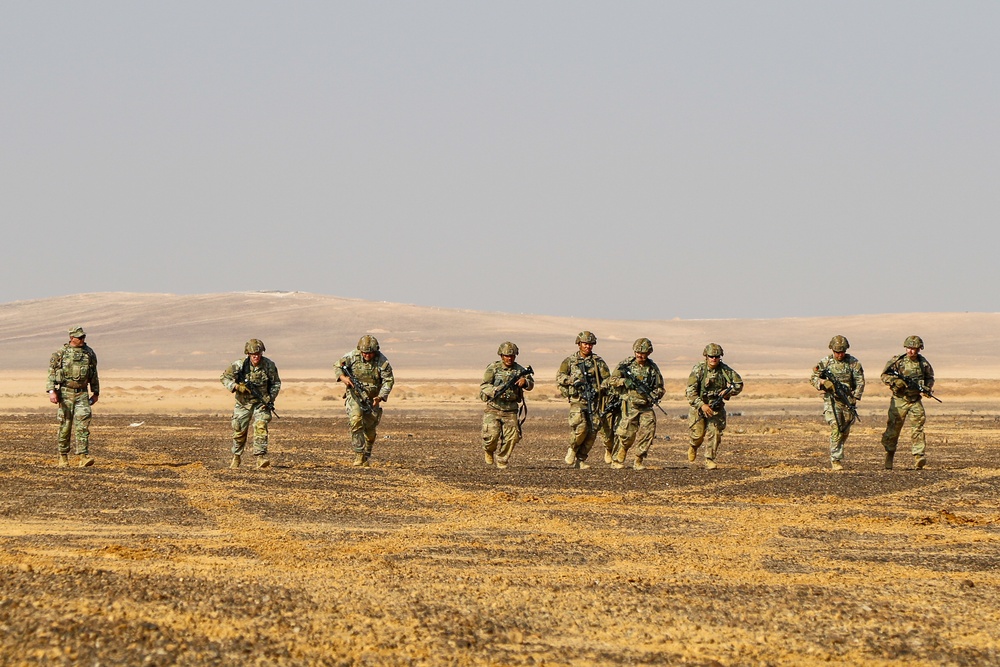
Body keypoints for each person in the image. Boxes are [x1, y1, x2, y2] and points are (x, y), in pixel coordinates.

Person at [556, 331, 614, 469]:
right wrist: (572, 380)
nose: (588, 347)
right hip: (578, 400)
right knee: (581, 427)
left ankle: (581, 459)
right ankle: (573, 448)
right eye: (585, 344)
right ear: (579, 344)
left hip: (594, 401)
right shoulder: (570, 361)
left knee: (593, 431)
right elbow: (560, 377)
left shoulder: (598, 362)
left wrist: (600, 389)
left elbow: (608, 379)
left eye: (590, 344)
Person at [220, 339, 281, 469]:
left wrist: (270, 398)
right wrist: (236, 386)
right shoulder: (239, 365)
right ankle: (236, 457)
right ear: (248, 353)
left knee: (261, 426)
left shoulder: (269, 365)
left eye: (258, 354)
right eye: (253, 354)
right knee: (239, 431)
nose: (256, 356)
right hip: (243, 403)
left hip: (261, 403)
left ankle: (260, 458)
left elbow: (276, 383)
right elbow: (224, 377)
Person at [337, 335, 394, 467]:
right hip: (354, 395)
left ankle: (367, 453)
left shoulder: (382, 361)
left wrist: (380, 397)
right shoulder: (352, 356)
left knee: (370, 430)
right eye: (364, 353)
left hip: (373, 397)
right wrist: (343, 378)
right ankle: (359, 455)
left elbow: (389, 381)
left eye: (370, 353)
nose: (367, 356)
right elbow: (337, 366)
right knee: (355, 420)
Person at [46, 326, 100, 467]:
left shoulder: (89, 353)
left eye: (83, 337)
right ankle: (63, 457)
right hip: (65, 393)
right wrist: (51, 391)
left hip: (82, 393)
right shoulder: (61, 353)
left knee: (83, 424)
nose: (82, 339)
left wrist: (95, 392)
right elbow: (51, 372)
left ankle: (83, 457)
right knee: (65, 425)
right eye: (79, 337)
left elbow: (93, 374)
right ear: (71, 338)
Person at [608, 338, 664, 470]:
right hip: (630, 405)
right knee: (626, 434)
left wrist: (655, 395)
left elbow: (660, 387)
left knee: (648, 433)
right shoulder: (626, 365)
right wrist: (625, 382)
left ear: (649, 353)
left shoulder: (652, 368)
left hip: (646, 406)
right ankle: (617, 458)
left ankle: (638, 460)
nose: (640, 355)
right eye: (638, 352)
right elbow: (612, 380)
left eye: (643, 353)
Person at [810, 335, 865, 471]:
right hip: (831, 400)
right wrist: (823, 382)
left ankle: (837, 452)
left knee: (844, 431)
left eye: (842, 352)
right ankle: (836, 459)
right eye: (836, 352)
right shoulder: (826, 362)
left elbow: (860, 381)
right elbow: (813, 378)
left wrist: (855, 397)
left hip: (847, 400)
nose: (839, 355)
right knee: (835, 428)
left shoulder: (853, 363)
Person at [880, 335, 935, 470]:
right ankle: (889, 455)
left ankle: (918, 456)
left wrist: (927, 389)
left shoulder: (923, 363)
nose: (912, 351)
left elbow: (930, 377)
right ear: (906, 348)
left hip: (915, 400)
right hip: (899, 400)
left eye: (915, 349)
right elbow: (884, 376)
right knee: (893, 429)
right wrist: (895, 381)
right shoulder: (897, 361)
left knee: (918, 428)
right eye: (910, 348)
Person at [686, 343, 743, 470]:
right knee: (698, 435)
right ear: (706, 356)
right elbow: (690, 392)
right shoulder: (699, 370)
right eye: (711, 356)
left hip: (716, 407)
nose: (714, 359)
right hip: (699, 407)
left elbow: (739, 384)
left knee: (715, 433)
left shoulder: (725, 370)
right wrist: (702, 405)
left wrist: (728, 392)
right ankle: (693, 446)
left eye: (717, 356)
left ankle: (709, 459)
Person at [480, 342, 534, 469]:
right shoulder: (493, 368)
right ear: (501, 355)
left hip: (511, 410)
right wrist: (495, 391)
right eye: (506, 356)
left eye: (512, 356)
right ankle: (489, 450)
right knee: (491, 436)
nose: (509, 358)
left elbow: (531, 384)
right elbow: (484, 386)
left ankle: (502, 459)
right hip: (493, 408)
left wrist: (525, 382)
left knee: (512, 437)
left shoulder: (520, 370)